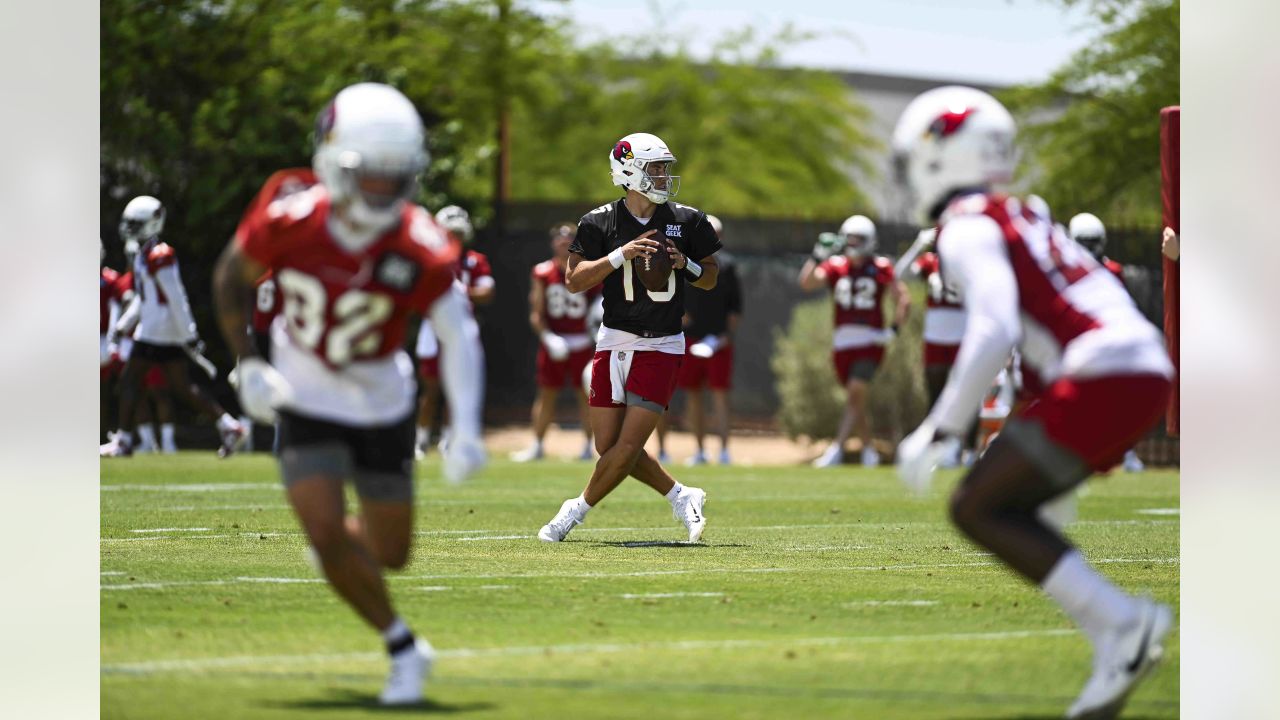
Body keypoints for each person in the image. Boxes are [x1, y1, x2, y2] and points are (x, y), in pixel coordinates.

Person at [891, 86, 1174, 719]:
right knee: (1006, 500)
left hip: (1106, 373)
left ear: (939, 155)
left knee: (977, 506)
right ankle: (1117, 635)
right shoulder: (1029, 214)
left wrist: (941, 427)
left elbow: (994, 327)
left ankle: (1122, 624)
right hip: (1144, 368)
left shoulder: (968, 225)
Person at [211, 82, 487, 705]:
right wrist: (248, 364)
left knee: (390, 554)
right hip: (304, 395)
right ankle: (403, 648)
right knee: (324, 531)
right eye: (373, 175)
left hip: (379, 402)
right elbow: (231, 276)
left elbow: (457, 330)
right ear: (333, 163)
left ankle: (341, 553)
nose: (385, 191)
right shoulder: (290, 215)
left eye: (398, 177)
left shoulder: (416, 242)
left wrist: (466, 425)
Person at [536, 132, 720, 543]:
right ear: (628, 169)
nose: (663, 176)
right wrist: (621, 255)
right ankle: (681, 494)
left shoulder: (687, 219)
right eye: (655, 167)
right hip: (614, 340)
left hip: (661, 343)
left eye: (664, 168)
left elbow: (710, 276)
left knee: (626, 447)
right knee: (610, 447)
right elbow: (573, 281)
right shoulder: (599, 221)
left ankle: (572, 512)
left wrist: (685, 264)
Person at [100, 196, 245, 458]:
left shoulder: (159, 255)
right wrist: (125, 324)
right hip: (157, 330)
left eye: (136, 224)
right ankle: (228, 424)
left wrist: (189, 332)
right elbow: (145, 298)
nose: (130, 229)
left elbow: (176, 297)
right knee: (182, 387)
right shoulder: (145, 254)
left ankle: (123, 440)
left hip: (158, 332)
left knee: (129, 382)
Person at [799, 215, 911, 468]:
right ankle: (869, 450)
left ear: (869, 240)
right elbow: (806, 283)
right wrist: (817, 255)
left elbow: (903, 298)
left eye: (857, 238)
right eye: (849, 237)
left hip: (870, 341)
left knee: (855, 391)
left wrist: (893, 330)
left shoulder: (881, 266)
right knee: (855, 400)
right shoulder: (836, 265)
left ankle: (836, 449)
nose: (852, 243)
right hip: (842, 343)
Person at [512, 222, 600, 462]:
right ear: (552, 243)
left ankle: (588, 446)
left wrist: (594, 336)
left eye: (569, 238)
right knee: (547, 394)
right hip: (555, 341)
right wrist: (548, 337)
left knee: (588, 395)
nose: (564, 243)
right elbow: (537, 313)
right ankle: (537, 445)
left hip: (583, 341)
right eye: (560, 239)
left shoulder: (588, 270)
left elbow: (600, 308)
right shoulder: (542, 272)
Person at [1068, 212, 1147, 473]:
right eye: (1085, 241)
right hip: (1078, 341)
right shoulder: (1066, 270)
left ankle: (1126, 452)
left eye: (1093, 241)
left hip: (1109, 339)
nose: (1089, 248)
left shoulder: (1113, 270)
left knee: (1119, 399)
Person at [413, 205, 493, 458]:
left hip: (460, 328)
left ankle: (449, 439)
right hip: (433, 327)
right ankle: (421, 438)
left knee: (454, 388)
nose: (454, 239)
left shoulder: (474, 260)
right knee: (431, 388)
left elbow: (487, 291)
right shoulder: (430, 258)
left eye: (457, 233)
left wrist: (462, 292)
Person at [895, 228, 974, 466]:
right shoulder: (930, 263)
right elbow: (900, 273)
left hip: (962, 336)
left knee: (966, 393)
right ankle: (941, 448)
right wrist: (919, 245)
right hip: (935, 338)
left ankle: (969, 449)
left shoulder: (969, 261)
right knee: (936, 396)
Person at [668, 214, 742, 466]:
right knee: (693, 394)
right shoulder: (683, 262)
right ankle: (699, 450)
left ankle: (723, 451)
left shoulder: (728, 265)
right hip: (689, 339)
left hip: (717, 341)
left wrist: (726, 337)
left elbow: (735, 307)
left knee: (720, 396)